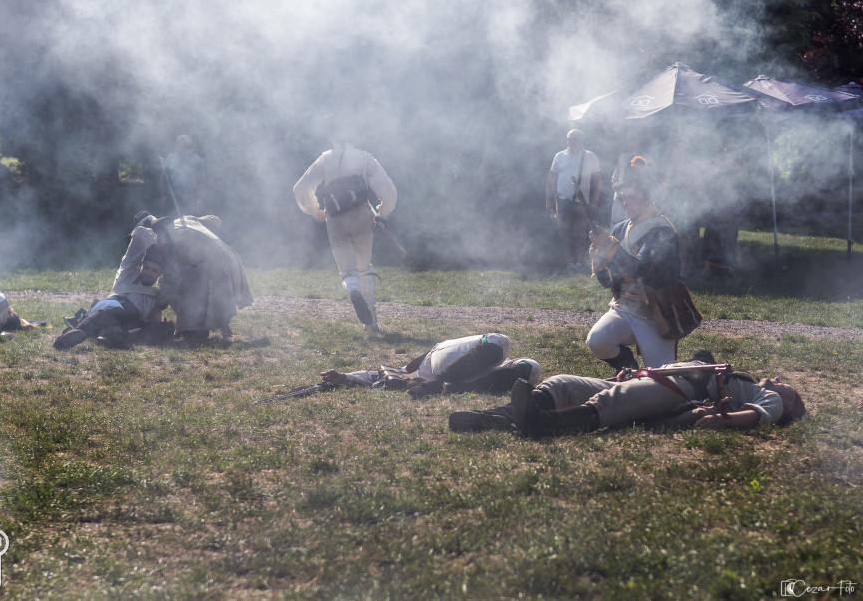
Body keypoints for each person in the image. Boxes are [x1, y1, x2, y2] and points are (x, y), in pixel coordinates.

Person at [449, 352, 807, 435]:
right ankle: (495, 418)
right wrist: (632, 373)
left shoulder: (770, 398)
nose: (778, 380)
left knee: (609, 404)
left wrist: (719, 419)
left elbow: (763, 415)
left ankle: (540, 425)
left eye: (786, 386)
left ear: (789, 400)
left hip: (680, 395)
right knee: (564, 384)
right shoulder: (749, 380)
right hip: (653, 382)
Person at [586, 155, 681, 371]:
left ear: (648, 197)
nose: (626, 203)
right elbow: (607, 282)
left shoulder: (662, 231)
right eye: (623, 198)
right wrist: (599, 257)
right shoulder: (619, 229)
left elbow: (643, 270)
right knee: (597, 341)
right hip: (625, 309)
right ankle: (628, 368)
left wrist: (610, 246)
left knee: (662, 378)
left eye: (631, 198)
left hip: (657, 316)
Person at [293, 138, 397, 331]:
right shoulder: (366, 159)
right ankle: (372, 322)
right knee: (364, 268)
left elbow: (301, 188)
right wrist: (383, 212)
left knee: (348, 271)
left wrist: (313, 210)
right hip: (362, 217)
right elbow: (388, 190)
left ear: (334, 140)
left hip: (335, 219)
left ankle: (353, 289)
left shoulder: (325, 159)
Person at [55, 214, 169, 350]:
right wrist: (154, 229)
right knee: (114, 311)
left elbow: (152, 321)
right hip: (111, 308)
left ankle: (111, 337)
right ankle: (77, 334)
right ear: (141, 266)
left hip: (128, 323)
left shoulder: (155, 296)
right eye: (147, 268)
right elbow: (140, 234)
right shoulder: (128, 272)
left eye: (154, 271)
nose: (149, 273)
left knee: (164, 328)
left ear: (160, 273)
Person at [316, 333, 541, 397]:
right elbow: (381, 376)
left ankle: (443, 386)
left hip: (451, 377)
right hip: (436, 377)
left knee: (530, 367)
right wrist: (344, 377)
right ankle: (439, 385)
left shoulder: (413, 370)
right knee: (500, 342)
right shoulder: (408, 371)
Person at [153, 213, 253, 341]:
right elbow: (215, 220)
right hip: (224, 256)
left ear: (158, 230)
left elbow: (173, 278)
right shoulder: (187, 221)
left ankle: (188, 328)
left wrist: (159, 305)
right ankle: (220, 327)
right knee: (215, 295)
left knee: (182, 289)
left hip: (207, 262)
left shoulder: (166, 237)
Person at [546, 129, 602, 273]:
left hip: (581, 202)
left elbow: (597, 181)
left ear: (581, 140)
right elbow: (551, 180)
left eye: (575, 138)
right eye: (569, 138)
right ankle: (570, 263)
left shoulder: (590, 157)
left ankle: (578, 263)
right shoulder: (559, 156)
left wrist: (595, 201)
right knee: (565, 233)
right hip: (562, 200)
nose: (572, 142)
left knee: (580, 233)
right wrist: (549, 200)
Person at [159, 134, 206, 217]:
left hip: (190, 196)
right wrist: (163, 196)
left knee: (189, 222)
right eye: (177, 143)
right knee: (171, 222)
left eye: (180, 143)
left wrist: (199, 200)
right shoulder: (171, 158)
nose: (177, 145)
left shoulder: (197, 161)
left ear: (186, 145)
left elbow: (201, 182)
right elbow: (164, 178)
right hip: (172, 197)